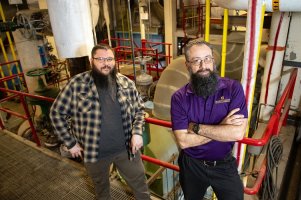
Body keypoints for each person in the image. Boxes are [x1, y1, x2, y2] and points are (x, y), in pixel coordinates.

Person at [50, 44, 150, 200]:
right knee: (101, 188)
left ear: (115, 61)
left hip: (127, 149)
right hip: (94, 153)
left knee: (140, 185)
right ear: (92, 61)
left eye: (109, 59)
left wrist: (137, 132)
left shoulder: (126, 83)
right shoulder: (77, 84)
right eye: (100, 59)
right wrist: (70, 143)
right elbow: (56, 113)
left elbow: (139, 110)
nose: (106, 63)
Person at [170, 39, 248, 200]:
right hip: (192, 165)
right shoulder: (179, 98)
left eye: (207, 59)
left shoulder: (233, 88)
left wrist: (196, 128)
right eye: (196, 61)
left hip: (224, 164)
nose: (203, 66)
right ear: (188, 65)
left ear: (213, 61)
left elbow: (238, 133)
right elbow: (183, 142)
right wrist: (222, 127)